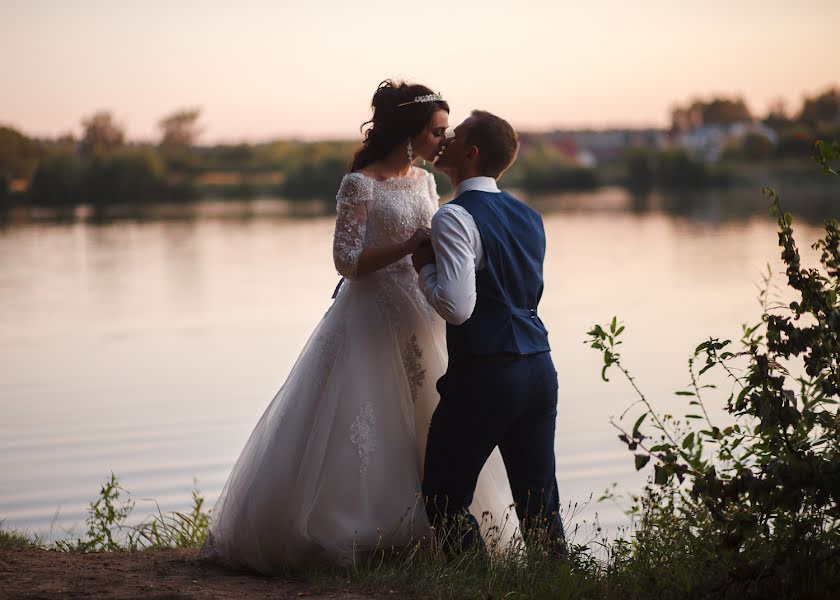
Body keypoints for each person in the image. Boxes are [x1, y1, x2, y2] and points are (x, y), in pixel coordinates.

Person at [198, 81, 516, 573]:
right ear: (410, 133)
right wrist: (410, 245)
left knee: (432, 419)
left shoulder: (425, 183)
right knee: (367, 420)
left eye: (446, 131)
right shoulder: (359, 184)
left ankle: (437, 535)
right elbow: (346, 261)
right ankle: (359, 531)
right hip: (368, 316)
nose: (443, 140)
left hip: (420, 314)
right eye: (436, 131)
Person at [413, 110, 567, 555]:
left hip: (486, 372)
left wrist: (424, 267)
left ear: (471, 151)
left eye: (454, 134)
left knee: (443, 498)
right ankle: (555, 584)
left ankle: (475, 584)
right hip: (539, 368)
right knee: (541, 505)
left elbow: (458, 309)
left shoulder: (454, 217)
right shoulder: (529, 216)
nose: (446, 139)